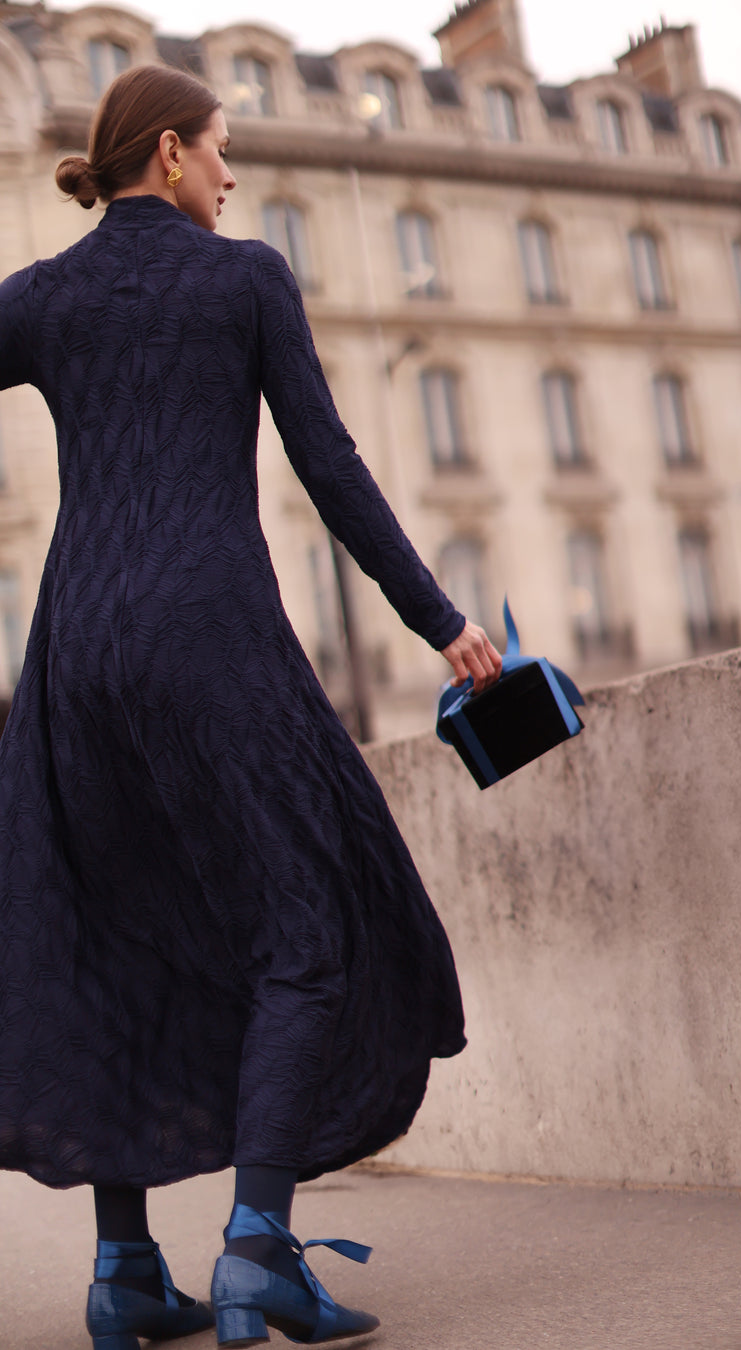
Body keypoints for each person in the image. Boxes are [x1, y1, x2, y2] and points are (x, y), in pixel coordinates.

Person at [0, 63, 502, 1349]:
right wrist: (441, 621)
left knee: (109, 938)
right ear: (168, 154)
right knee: (306, 920)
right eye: (222, 152)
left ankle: (122, 1273)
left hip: (72, 652)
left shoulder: (42, 299)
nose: (234, 177)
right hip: (207, 635)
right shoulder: (245, 278)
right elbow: (328, 466)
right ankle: (259, 1250)